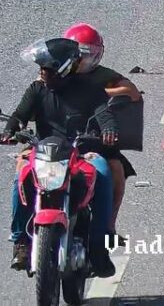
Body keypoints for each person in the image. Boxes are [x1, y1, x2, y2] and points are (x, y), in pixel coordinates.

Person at [0, 36, 119, 277]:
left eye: (48, 69)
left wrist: (108, 130)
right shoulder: (37, 89)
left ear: (64, 69)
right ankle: (21, 241)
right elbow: (19, 115)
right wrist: (9, 130)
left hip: (81, 152)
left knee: (104, 173)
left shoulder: (90, 90)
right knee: (20, 175)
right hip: (43, 152)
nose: (43, 73)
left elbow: (104, 114)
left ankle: (99, 246)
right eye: (41, 69)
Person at [62, 22, 139, 239]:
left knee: (115, 168)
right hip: (54, 140)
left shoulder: (104, 76)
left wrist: (108, 93)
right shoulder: (54, 76)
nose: (82, 61)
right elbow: (35, 101)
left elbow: (130, 92)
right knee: (23, 165)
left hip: (91, 139)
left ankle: (108, 227)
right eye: (78, 55)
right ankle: (21, 237)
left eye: (88, 55)